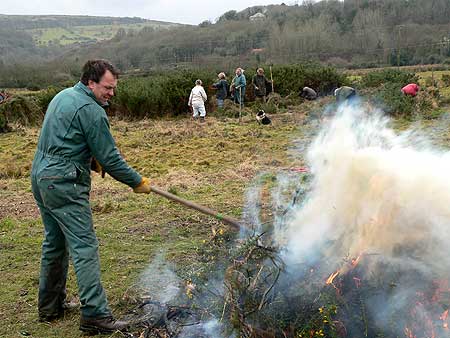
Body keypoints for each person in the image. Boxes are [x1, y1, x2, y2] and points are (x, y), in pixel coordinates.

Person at [31, 59, 151, 335]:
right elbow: (111, 159)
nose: (111, 93)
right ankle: (95, 315)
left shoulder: (64, 96)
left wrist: (85, 158)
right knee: (84, 246)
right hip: (63, 183)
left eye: (114, 88)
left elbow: (64, 138)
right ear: (91, 82)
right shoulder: (91, 110)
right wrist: (137, 182)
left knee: (55, 242)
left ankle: (50, 307)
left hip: (41, 176)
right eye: (108, 88)